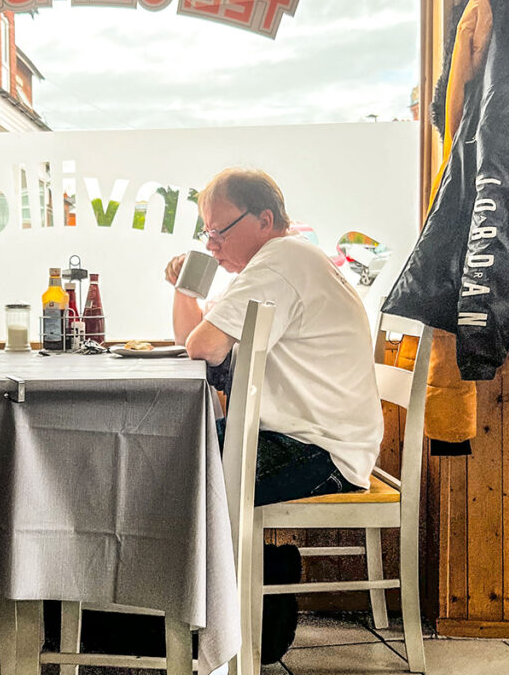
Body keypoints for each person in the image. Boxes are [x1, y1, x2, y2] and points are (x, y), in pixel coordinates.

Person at [164, 168, 383, 507]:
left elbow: (203, 346)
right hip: (312, 443)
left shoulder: (283, 259)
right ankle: (270, 562)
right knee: (166, 452)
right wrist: (185, 290)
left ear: (264, 220)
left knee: (163, 463)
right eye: (206, 233)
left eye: (219, 232)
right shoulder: (275, 263)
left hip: (318, 452)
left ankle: (261, 562)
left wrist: (198, 332)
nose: (210, 245)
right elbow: (192, 339)